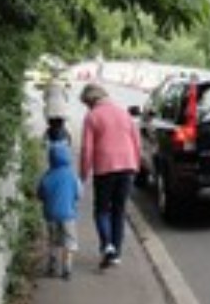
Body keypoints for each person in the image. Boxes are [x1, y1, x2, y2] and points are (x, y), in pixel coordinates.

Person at [79, 83, 140, 268]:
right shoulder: (123, 113)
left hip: (105, 168)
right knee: (119, 211)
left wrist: (83, 173)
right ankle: (116, 253)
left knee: (101, 210)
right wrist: (135, 165)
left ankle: (107, 246)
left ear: (90, 101)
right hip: (127, 166)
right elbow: (136, 141)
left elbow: (87, 149)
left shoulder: (92, 116)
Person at [37, 143, 83, 280]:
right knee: (69, 241)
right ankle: (67, 268)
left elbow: (40, 194)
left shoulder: (47, 176)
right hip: (68, 214)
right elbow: (79, 193)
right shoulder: (72, 175)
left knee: (53, 240)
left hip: (50, 215)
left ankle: (52, 265)